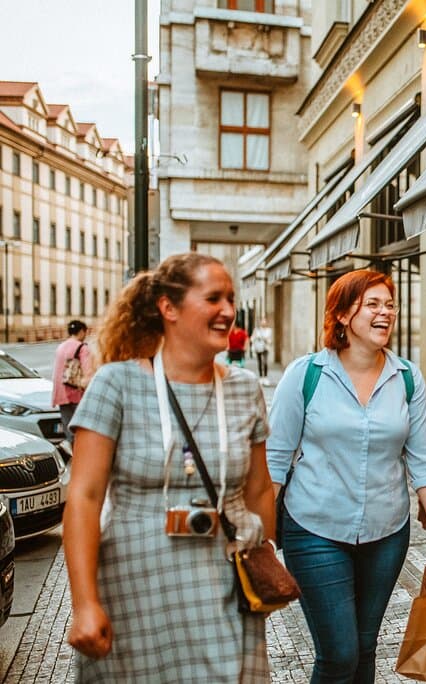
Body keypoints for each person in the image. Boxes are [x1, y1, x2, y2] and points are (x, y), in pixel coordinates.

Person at [62, 253, 276, 681]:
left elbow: (259, 490)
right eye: (213, 298)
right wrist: (85, 603)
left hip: (222, 584)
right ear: (168, 307)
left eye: (231, 299)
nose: (229, 311)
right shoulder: (117, 383)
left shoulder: (244, 389)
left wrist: (260, 556)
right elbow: (84, 497)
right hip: (136, 586)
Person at [267, 269, 426, 683]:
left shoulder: (407, 378)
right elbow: (275, 459)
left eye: (390, 305)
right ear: (343, 314)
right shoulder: (307, 374)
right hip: (314, 528)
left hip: (387, 534)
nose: (385, 312)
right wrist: (261, 535)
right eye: (373, 304)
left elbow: (424, 461)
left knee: (365, 647)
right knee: (339, 653)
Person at [52, 319, 92, 444]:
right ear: (81, 331)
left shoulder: (61, 346)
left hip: (61, 393)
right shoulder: (82, 348)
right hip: (77, 393)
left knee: (68, 427)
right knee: (82, 428)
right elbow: (88, 372)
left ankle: (71, 453)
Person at [251, 318, 272, 384]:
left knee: (265, 362)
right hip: (258, 347)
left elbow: (270, 339)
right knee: (259, 362)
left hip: (266, 348)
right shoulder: (256, 330)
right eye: (262, 322)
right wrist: (255, 338)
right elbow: (252, 338)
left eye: (264, 322)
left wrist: (265, 339)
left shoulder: (269, 330)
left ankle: (265, 377)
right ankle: (261, 377)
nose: (263, 323)